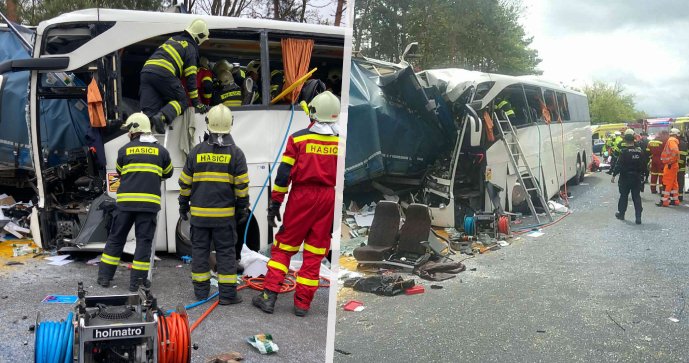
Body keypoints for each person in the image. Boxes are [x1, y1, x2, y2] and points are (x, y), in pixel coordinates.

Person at [252, 91, 341, 317]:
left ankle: (268, 297)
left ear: (313, 113)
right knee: (315, 251)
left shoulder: (299, 139)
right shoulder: (341, 142)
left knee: (284, 247)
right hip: (328, 199)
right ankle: (302, 303)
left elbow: (283, 176)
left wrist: (274, 204)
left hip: (302, 198)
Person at [178, 105, 250, 304]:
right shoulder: (236, 154)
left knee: (200, 252)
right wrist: (242, 207)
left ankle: (201, 293)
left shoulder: (196, 152)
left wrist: (183, 206)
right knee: (226, 252)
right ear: (230, 124)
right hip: (224, 217)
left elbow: (184, 183)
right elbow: (242, 187)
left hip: (199, 217)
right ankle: (228, 295)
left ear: (208, 124)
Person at [97, 113, 173, 290]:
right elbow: (167, 173)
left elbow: (120, 171)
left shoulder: (124, 150)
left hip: (125, 205)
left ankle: (104, 277)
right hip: (148, 206)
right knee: (143, 243)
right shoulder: (161, 151)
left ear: (133, 130)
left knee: (116, 239)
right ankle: (136, 283)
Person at [140, 19, 210, 134]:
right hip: (164, 72)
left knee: (149, 112)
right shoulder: (190, 48)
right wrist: (197, 104)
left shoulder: (173, 39)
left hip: (146, 72)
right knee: (182, 101)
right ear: (200, 36)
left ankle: (143, 137)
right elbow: (191, 79)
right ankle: (162, 117)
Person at [611, 129, 646, 224]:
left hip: (625, 177)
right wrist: (644, 176)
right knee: (636, 197)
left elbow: (619, 165)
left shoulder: (624, 152)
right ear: (634, 140)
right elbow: (644, 165)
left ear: (626, 141)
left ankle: (621, 214)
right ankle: (638, 217)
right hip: (636, 177)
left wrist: (613, 175)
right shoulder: (640, 151)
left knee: (623, 196)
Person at [659, 128, 681, 207]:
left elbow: (675, 151)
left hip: (670, 165)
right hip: (673, 165)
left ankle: (664, 201)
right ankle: (675, 201)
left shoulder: (671, 140)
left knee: (666, 183)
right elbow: (675, 152)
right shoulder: (674, 141)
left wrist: (670, 161)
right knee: (674, 183)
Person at [678, 131, 688, 202]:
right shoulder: (685, 144)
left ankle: (673, 196)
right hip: (682, 166)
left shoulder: (672, 143)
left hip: (673, 165)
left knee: (673, 181)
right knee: (681, 181)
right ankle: (680, 196)